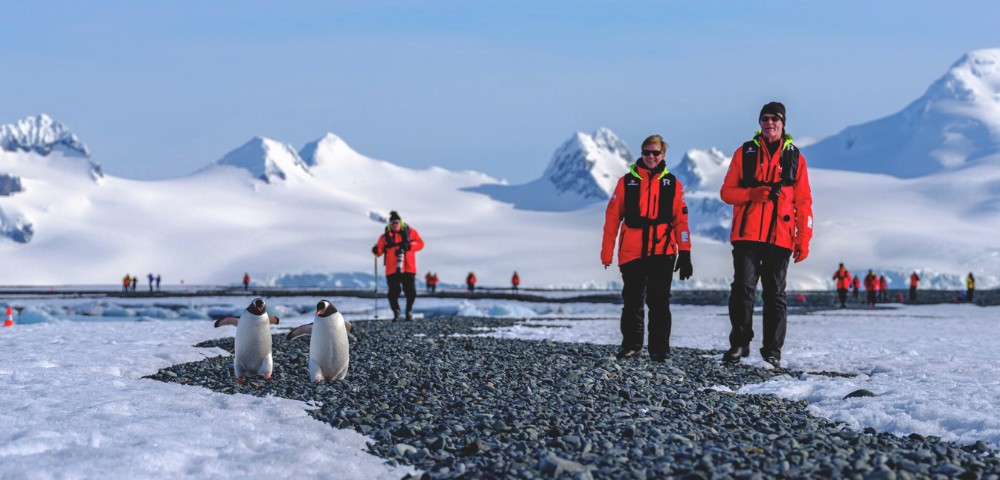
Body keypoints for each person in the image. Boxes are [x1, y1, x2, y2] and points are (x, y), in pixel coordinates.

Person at [720, 102, 812, 369]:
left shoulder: (795, 158)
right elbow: (726, 193)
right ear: (759, 122)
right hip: (747, 234)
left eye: (775, 119)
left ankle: (772, 351)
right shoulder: (744, 153)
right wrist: (752, 194)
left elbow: (804, 203)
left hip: (780, 237)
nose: (769, 123)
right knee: (742, 290)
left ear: (783, 124)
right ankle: (739, 343)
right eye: (765, 118)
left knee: (775, 295)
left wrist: (802, 238)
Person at [601, 134, 693, 363]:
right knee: (632, 300)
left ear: (663, 155)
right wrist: (606, 252)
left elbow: (681, 221)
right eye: (646, 152)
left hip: (662, 251)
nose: (650, 157)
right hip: (632, 251)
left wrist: (685, 252)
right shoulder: (626, 182)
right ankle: (631, 346)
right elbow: (612, 218)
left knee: (659, 301)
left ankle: (660, 349)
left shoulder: (672, 184)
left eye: (655, 153)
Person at [372, 211, 425, 321]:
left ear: (400, 222)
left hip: (408, 267)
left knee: (411, 292)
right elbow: (379, 251)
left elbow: (420, 244)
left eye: (396, 222)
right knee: (393, 293)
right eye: (392, 223)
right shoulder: (385, 237)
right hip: (392, 269)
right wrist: (376, 250)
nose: (395, 225)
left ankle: (408, 311)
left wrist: (409, 246)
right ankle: (396, 312)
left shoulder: (411, 232)